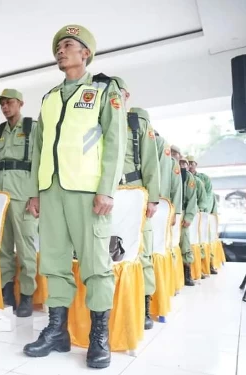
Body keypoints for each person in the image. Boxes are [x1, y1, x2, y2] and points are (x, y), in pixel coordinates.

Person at [23, 25, 127, 369]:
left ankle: (99, 337)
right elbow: (38, 148)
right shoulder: (50, 97)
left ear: (86, 53)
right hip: (51, 191)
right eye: (58, 47)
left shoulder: (103, 89)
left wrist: (106, 189)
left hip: (87, 191)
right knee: (52, 263)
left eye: (68, 45)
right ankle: (57, 331)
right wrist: (36, 192)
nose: (60, 51)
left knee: (96, 266)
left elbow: (115, 141)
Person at [0, 88, 39, 318]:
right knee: (2, 246)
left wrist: (36, 195)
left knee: (25, 247)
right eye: (2, 104)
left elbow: (39, 165)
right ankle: (6, 292)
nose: (5, 107)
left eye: (9, 103)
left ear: (20, 103)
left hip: (23, 192)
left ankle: (26, 294)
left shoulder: (33, 128)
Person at [111, 77, 161, 330]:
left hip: (135, 194)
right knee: (108, 252)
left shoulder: (137, 122)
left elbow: (151, 163)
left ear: (126, 96)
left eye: (117, 93)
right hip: (108, 195)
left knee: (142, 252)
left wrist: (152, 198)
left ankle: (144, 304)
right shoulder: (99, 122)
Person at [171, 146, 197, 287]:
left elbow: (192, 199)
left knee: (185, 243)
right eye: (172, 153)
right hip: (169, 212)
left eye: (178, 156)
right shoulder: (167, 169)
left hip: (183, 213)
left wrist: (189, 216)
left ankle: (187, 274)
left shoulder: (188, 177)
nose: (175, 157)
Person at [187, 155, 218, 275]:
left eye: (192, 163)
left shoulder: (203, 178)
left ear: (196, 164)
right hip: (191, 215)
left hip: (203, 214)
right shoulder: (183, 177)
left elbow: (208, 196)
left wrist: (203, 211)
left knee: (205, 240)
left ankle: (208, 265)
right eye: (188, 163)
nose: (190, 165)